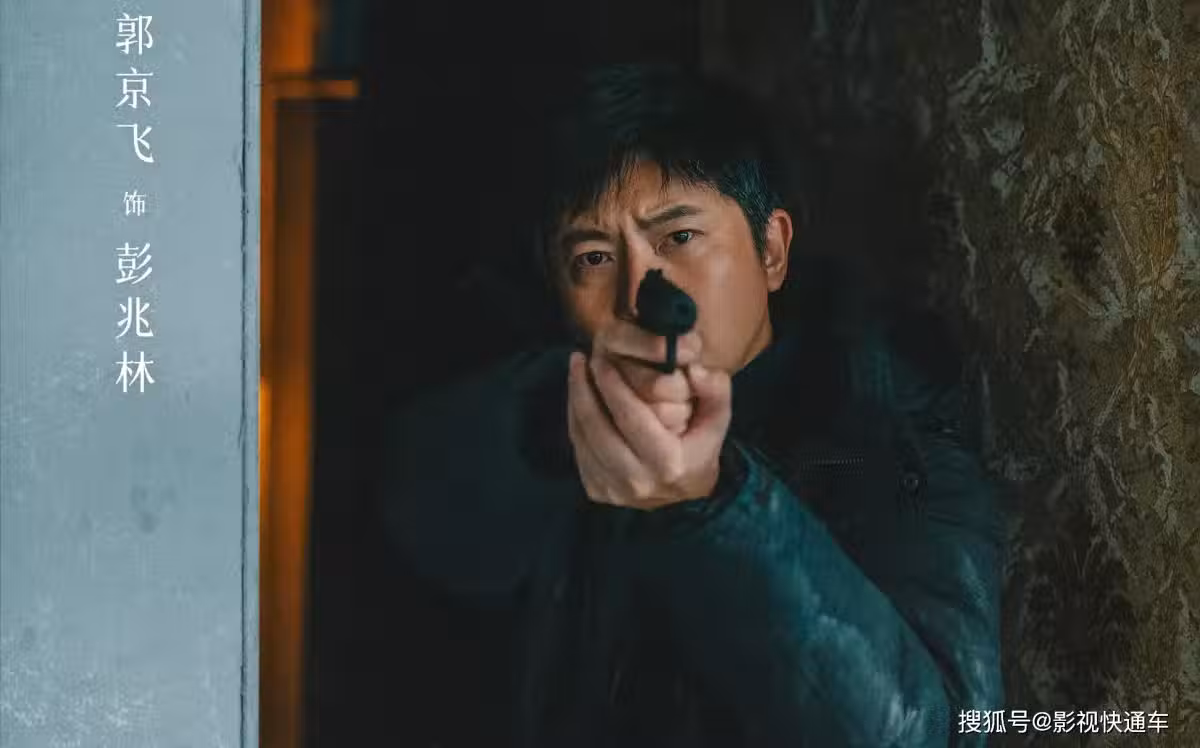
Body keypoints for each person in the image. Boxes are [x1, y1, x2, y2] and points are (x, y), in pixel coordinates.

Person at [379, 63, 1004, 747]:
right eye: (593, 257)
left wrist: (719, 506)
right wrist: (556, 426)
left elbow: (935, 733)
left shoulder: (888, 428)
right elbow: (419, 510)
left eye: (679, 238)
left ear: (771, 249)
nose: (639, 293)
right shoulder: (567, 406)